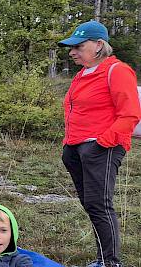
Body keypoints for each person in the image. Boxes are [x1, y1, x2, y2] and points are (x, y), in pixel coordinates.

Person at [59, 20, 140, 267]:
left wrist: (101, 143)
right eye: (71, 48)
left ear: (98, 45)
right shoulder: (82, 74)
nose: (72, 52)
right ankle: (103, 259)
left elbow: (130, 114)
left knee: (99, 205)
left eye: (78, 46)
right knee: (91, 205)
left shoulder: (118, 71)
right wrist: (69, 146)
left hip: (101, 148)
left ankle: (109, 262)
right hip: (75, 148)